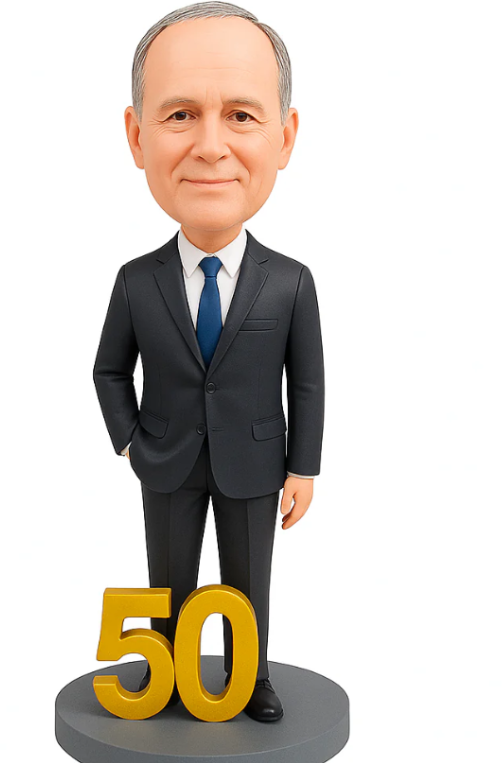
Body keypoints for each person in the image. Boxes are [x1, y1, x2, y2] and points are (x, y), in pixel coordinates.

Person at [93, 2, 324, 722]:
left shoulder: (290, 283)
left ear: (285, 137)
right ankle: (166, 672)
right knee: (168, 580)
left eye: (242, 116)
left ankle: (251, 680)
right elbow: (108, 370)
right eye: (181, 115)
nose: (211, 146)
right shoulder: (137, 281)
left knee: (249, 582)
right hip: (164, 460)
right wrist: (129, 441)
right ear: (137, 136)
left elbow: (307, 383)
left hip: (256, 463)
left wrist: (304, 468)